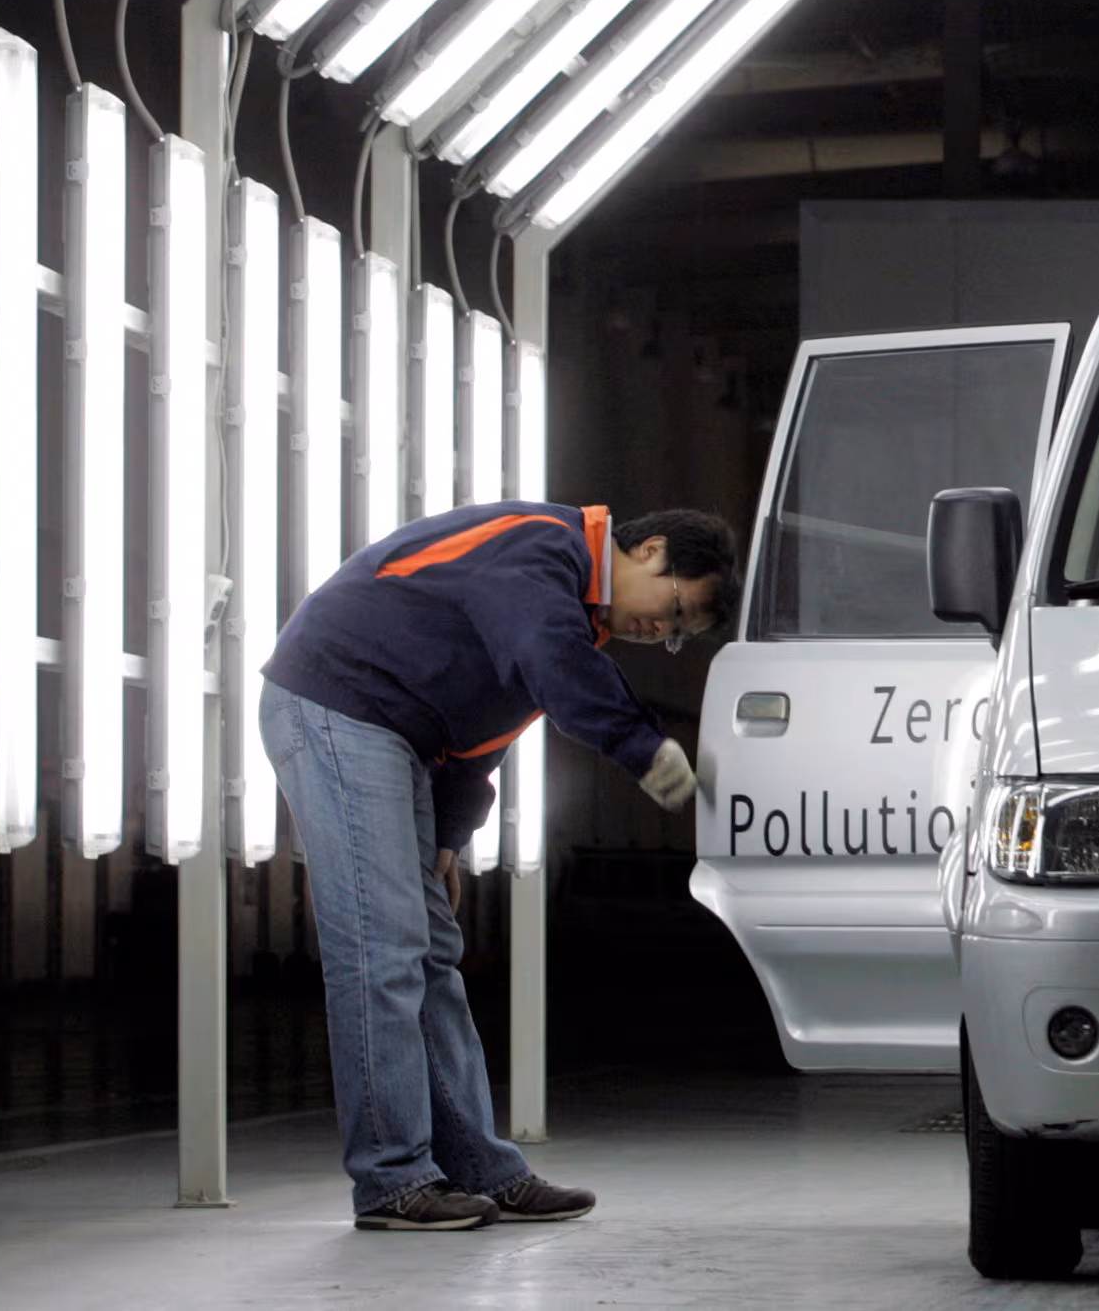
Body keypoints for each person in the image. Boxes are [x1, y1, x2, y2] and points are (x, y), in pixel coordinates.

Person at [259, 502, 740, 1231]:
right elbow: (551, 660)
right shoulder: (542, 551)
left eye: (678, 635)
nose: (662, 631)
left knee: (430, 957)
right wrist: (642, 748)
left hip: (394, 731)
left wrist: (447, 839)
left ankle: (480, 1169)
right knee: (381, 951)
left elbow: (485, 734)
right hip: (337, 702)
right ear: (650, 550)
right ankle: (391, 1181)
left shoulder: (570, 614)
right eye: (677, 609)